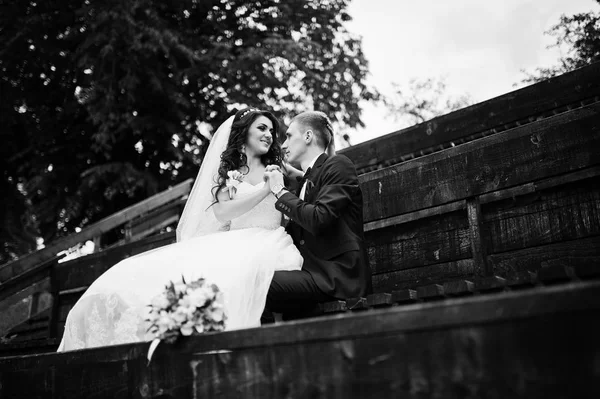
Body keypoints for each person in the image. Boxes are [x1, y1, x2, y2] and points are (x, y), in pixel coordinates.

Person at [57, 108, 303, 351]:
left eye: (271, 130)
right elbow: (223, 212)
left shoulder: (279, 168)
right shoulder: (230, 174)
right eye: (261, 128)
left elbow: (311, 177)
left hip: (270, 240)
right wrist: (265, 190)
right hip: (235, 241)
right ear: (243, 134)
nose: (269, 134)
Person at [263, 111, 372, 321]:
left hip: (336, 277)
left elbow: (319, 218)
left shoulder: (339, 165)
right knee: (246, 281)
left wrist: (279, 190)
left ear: (308, 136)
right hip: (311, 274)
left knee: (260, 284)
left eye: (289, 136)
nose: (283, 145)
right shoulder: (306, 180)